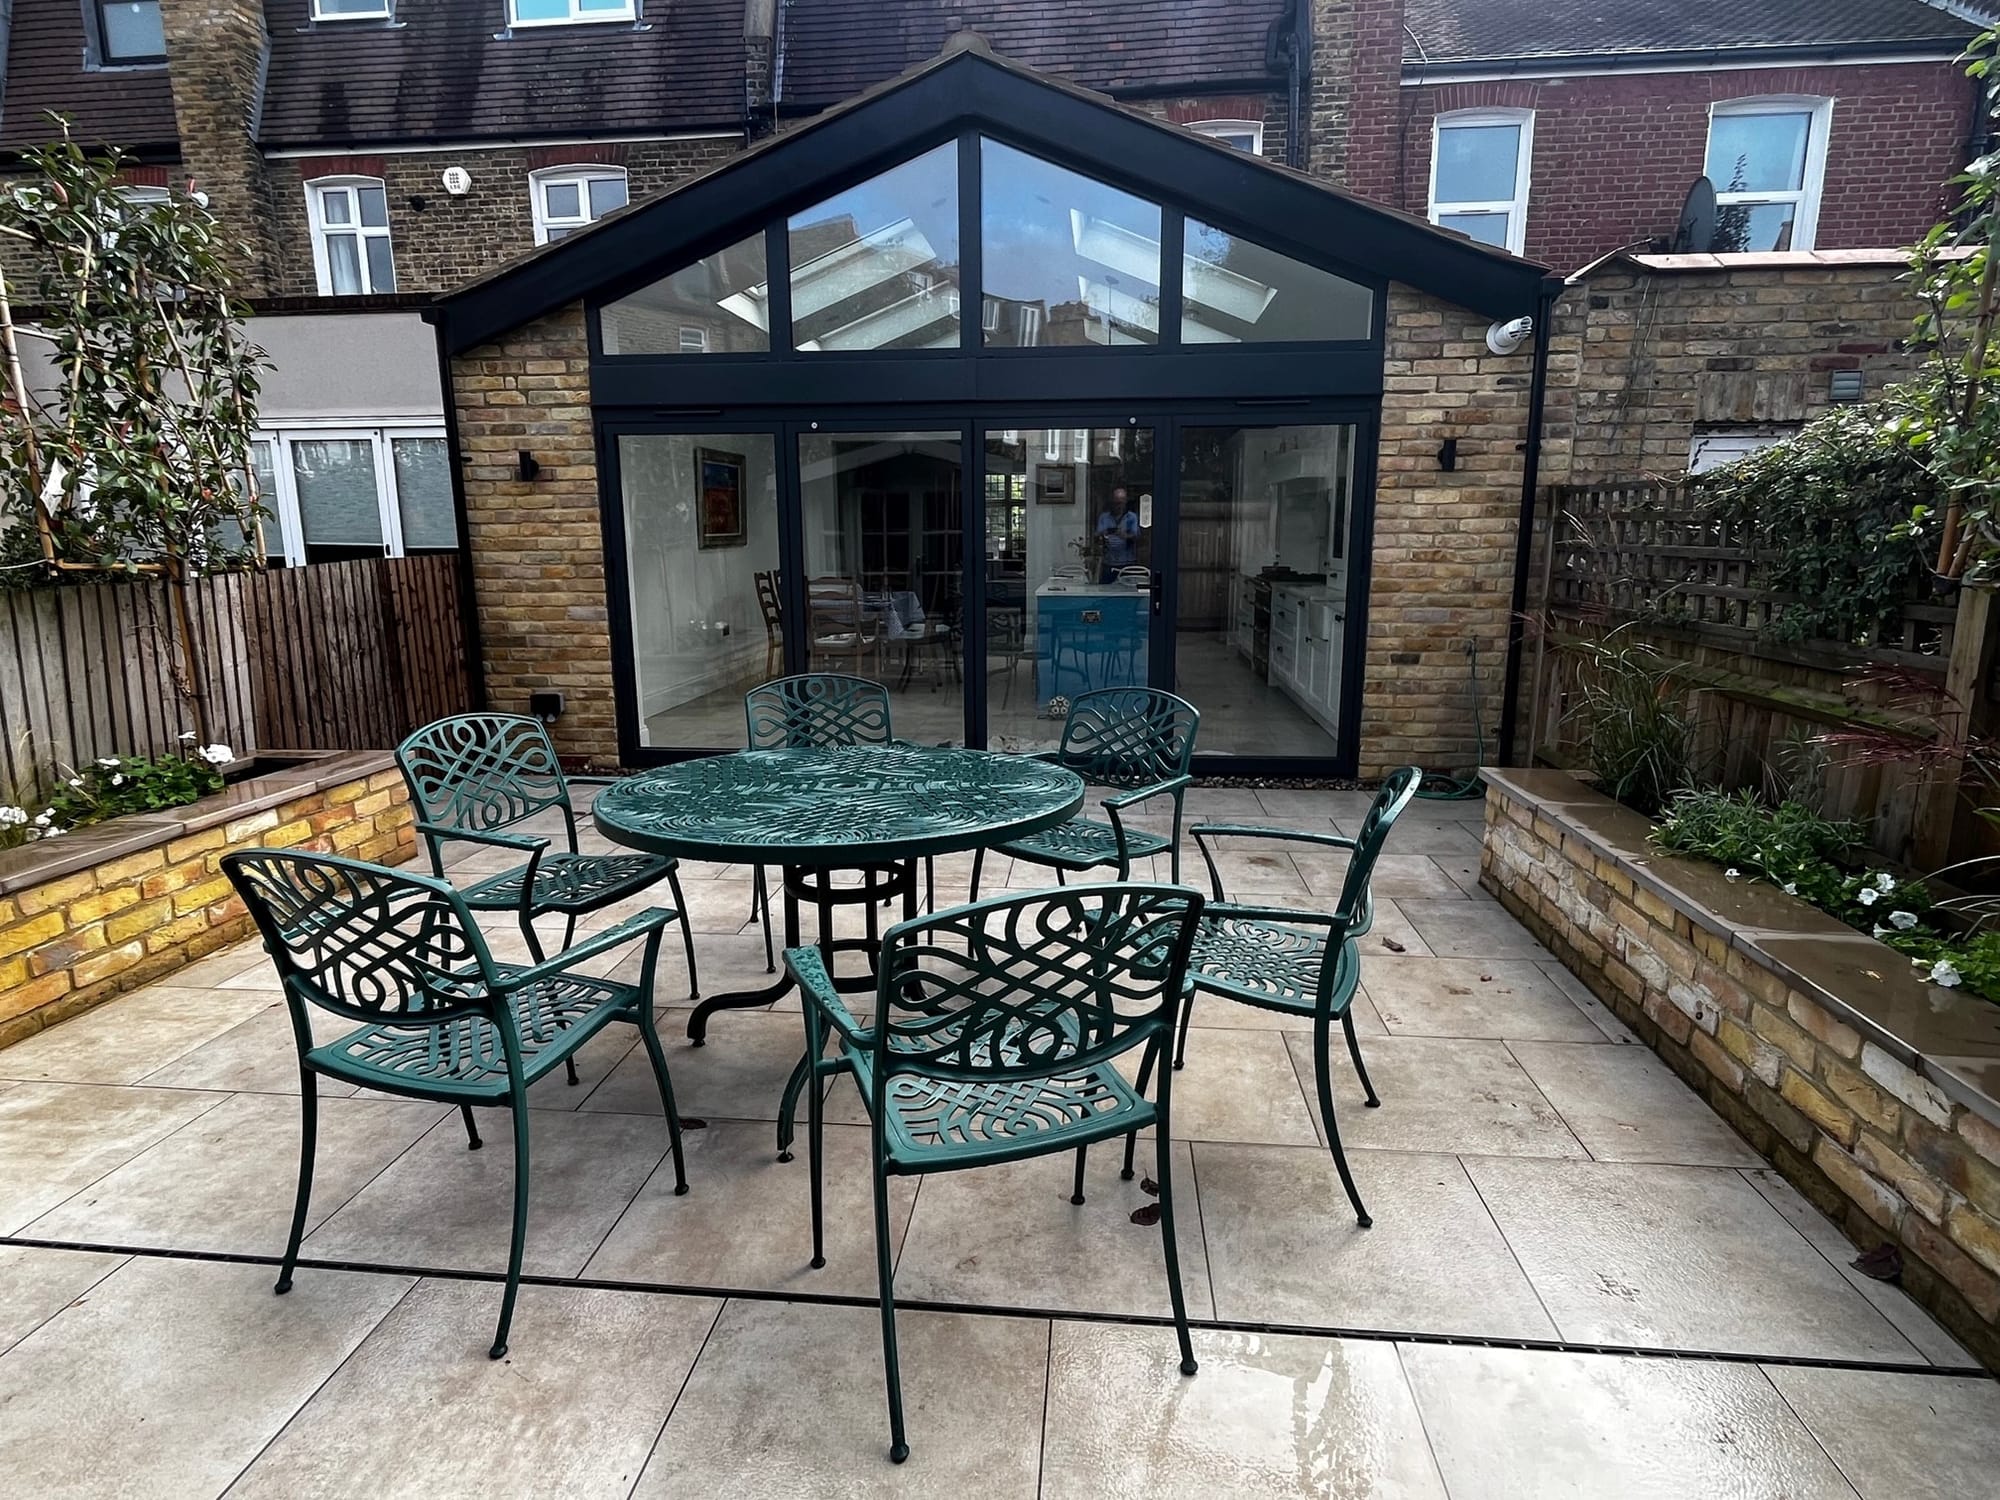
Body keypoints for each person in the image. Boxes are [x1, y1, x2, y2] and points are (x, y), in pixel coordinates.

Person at [1095, 486, 1140, 583]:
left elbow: (1136, 536)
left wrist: (1125, 535)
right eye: (1116, 502)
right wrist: (1104, 534)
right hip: (1108, 561)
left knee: (1128, 591)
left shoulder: (1131, 517)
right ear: (1112, 502)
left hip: (1127, 561)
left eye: (1121, 502)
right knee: (1105, 590)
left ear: (1125, 502)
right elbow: (1097, 535)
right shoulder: (1104, 517)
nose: (1118, 505)